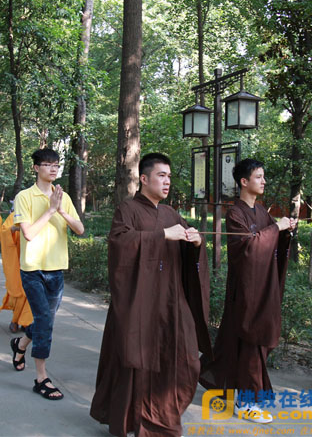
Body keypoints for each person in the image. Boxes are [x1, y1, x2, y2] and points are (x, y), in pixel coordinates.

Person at [90, 153, 212, 437]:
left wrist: (196, 242)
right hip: (139, 300)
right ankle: (135, 419)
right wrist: (162, 236)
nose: (167, 181)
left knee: (187, 359)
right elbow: (120, 243)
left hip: (171, 298)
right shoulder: (128, 209)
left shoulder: (170, 213)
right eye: (161, 175)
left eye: (169, 177)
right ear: (144, 179)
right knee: (137, 360)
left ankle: (162, 414)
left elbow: (186, 244)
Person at [199, 159, 296, 424]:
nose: (264, 181)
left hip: (263, 288)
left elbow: (271, 240)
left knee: (242, 344)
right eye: (259, 177)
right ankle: (245, 403)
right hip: (244, 291)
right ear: (244, 181)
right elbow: (249, 250)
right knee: (249, 343)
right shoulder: (235, 214)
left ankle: (226, 387)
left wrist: (285, 231)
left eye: (264, 177)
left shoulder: (261, 211)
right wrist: (277, 228)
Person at [11, 148, 84, 400]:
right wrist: (51, 210)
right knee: (44, 320)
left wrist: (61, 209)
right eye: (47, 164)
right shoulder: (24, 196)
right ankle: (41, 378)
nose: (53, 169)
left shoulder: (63, 197)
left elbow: (80, 229)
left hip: (56, 270)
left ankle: (20, 345)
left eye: (56, 165)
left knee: (46, 321)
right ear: (36, 168)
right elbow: (29, 234)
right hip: (32, 269)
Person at [0, 212, 33, 333]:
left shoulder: (39, 213)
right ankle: (15, 320)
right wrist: (13, 229)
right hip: (17, 259)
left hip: (34, 259)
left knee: (33, 292)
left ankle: (26, 322)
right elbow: (4, 232)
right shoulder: (15, 215)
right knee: (19, 291)